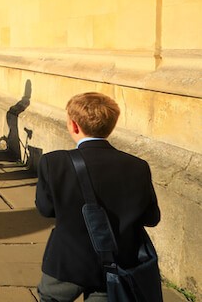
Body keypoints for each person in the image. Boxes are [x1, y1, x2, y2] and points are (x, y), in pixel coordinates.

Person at [35, 92, 161, 302]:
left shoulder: (53, 162)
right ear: (112, 125)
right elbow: (151, 217)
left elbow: (45, 209)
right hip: (115, 264)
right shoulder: (138, 166)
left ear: (74, 125)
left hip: (67, 262)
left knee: (50, 299)